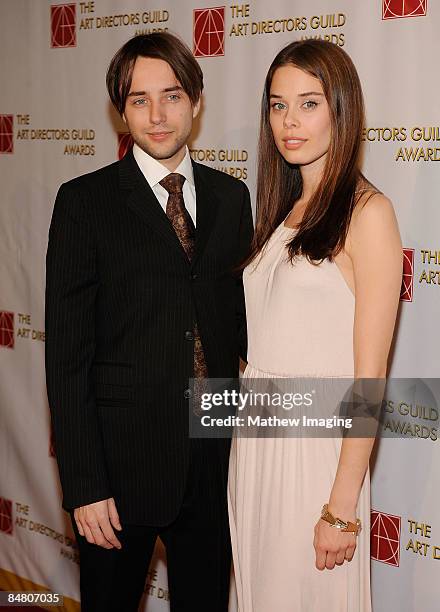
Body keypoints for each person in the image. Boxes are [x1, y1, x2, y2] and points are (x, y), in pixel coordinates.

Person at [45, 32, 253, 612]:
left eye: (172, 95)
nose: (158, 115)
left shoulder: (231, 198)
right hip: (120, 467)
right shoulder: (84, 202)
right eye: (139, 99)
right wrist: (85, 486)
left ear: (196, 100)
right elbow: (66, 356)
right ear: (121, 107)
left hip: (212, 460)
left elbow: (237, 325)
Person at [228, 39, 402, 611]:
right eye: (277, 105)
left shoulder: (369, 214)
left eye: (308, 103)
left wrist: (341, 507)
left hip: (315, 456)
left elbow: (370, 379)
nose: (289, 122)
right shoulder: (283, 207)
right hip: (257, 443)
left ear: (341, 109)